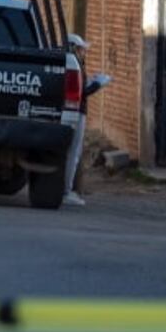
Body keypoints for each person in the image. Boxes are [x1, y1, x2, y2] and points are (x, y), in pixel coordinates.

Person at [63, 34, 111, 207]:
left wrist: (92, 81)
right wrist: (98, 84)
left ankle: (66, 189)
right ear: (74, 48)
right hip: (77, 113)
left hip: (74, 112)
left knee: (72, 152)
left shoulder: (74, 63)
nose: (84, 52)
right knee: (73, 152)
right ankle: (66, 190)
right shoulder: (73, 63)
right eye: (81, 49)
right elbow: (81, 92)